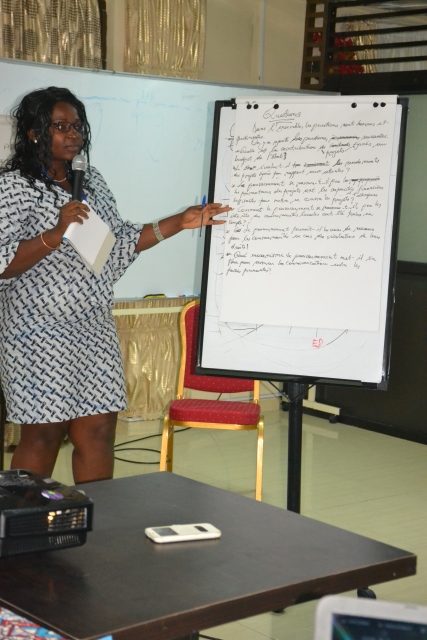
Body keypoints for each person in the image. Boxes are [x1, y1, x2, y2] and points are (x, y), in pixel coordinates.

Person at [0, 86, 229, 484]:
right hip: (36, 331)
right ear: (34, 133)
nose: (73, 134)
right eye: (60, 126)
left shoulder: (91, 182)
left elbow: (116, 244)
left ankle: (97, 520)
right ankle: (26, 520)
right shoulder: (13, 186)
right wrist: (54, 233)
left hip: (94, 326)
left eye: (77, 126)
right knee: (44, 434)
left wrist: (180, 222)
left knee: (99, 430)